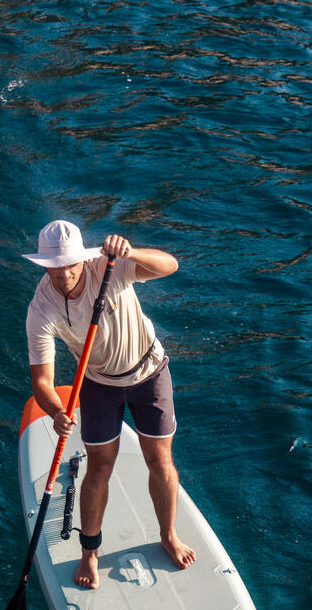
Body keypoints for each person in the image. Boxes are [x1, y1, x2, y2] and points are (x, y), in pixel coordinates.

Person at [23, 219, 196, 588]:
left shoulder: (108, 268)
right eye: (54, 266)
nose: (63, 273)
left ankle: (168, 536)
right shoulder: (41, 309)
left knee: (160, 460)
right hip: (98, 384)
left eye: (70, 263)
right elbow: (42, 382)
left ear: (81, 259)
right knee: (99, 467)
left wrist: (132, 251)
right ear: (44, 266)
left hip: (149, 372)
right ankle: (90, 553)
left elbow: (170, 265)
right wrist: (56, 411)